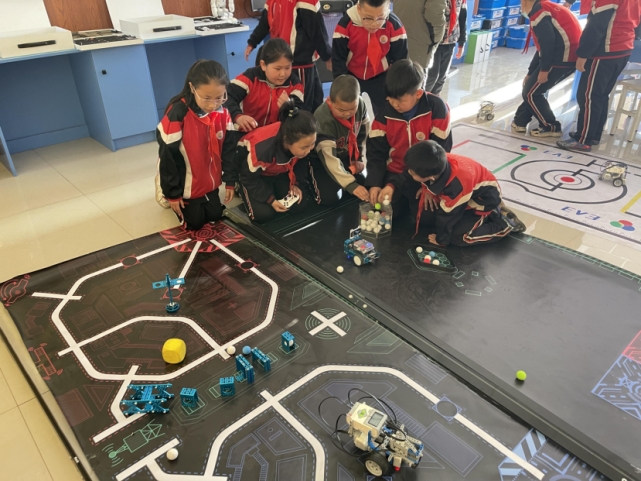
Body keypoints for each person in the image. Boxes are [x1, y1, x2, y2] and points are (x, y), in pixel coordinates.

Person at [156, 60, 240, 231]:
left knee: (215, 216)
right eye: (206, 98)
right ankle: (162, 191)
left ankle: (204, 196)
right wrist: (173, 194)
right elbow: (167, 158)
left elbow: (229, 151)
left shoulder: (224, 112)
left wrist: (230, 181)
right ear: (192, 88)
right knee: (194, 224)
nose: (212, 105)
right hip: (184, 182)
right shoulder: (178, 113)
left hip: (209, 182)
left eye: (219, 97)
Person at [365, 59, 452, 213]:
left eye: (400, 100)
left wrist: (430, 188)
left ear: (418, 94)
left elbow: (441, 154)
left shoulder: (437, 109)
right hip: (395, 173)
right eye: (389, 98)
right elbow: (375, 154)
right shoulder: (383, 117)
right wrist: (375, 183)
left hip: (425, 173)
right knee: (384, 211)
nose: (393, 104)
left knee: (428, 214)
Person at [404, 141, 526, 247]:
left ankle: (505, 224)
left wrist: (441, 240)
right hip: (469, 193)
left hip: (484, 200)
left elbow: (447, 216)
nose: (409, 172)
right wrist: (427, 189)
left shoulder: (456, 187)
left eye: (412, 173)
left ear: (430, 177)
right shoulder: (437, 161)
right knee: (429, 217)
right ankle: (494, 212)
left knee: (458, 237)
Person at [557, 0, 641, 152]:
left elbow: (595, 27)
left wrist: (583, 54)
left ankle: (583, 139)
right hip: (623, 48)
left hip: (605, 51)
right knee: (600, 95)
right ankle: (593, 134)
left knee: (588, 96)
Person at [237, 100, 317, 223]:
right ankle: (240, 189)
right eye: (304, 147)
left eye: (312, 144)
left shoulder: (304, 140)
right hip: (255, 175)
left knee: (298, 205)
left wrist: (296, 183)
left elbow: (301, 163)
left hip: (280, 171)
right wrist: (270, 200)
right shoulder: (263, 150)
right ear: (287, 141)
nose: (309, 150)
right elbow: (248, 178)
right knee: (264, 214)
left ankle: (275, 188)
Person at [245, 0, 332, 113]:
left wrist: (252, 43)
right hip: (299, 63)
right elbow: (317, 30)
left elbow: (263, 23)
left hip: (291, 62)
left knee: (312, 101)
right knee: (302, 107)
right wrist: (327, 56)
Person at [510, 0, 582, 137]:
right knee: (532, 88)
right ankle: (520, 121)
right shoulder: (545, 7)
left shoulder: (539, 12)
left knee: (532, 93)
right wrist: (531, 72)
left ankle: (551, 126)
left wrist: (544, 70)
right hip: (565, 55)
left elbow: (547, 44)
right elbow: (541, 48)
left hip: (563, 57)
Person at [332, 0, 408, 115]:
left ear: (388, 7)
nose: (374, 24)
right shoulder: (346, 24)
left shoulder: (394, 25)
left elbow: (400, 60)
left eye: (380, 18)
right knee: (351, 112)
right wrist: (341, 84)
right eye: (368, 18)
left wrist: (395, 88)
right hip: (351, 76)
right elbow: (338, 58)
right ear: (359, 8)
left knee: (385, 113)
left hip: (381, 76)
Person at [309, 75, 371, 205]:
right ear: (330, 101)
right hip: (323, 160)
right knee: (331, 198)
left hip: (345, 155)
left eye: (352, 108)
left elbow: (363, 134)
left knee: (365, 183)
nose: (347, 113)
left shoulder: (361, 104)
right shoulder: (323, 118)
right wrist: (351, 185)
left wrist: (359, 158)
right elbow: (329, 158)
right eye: (341, 110)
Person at [225, 38, 304, 132]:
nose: (283, 74)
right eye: (278, 69)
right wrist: (238, 116)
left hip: (277, 134)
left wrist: (289, 108)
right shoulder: (249, 79)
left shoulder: (295, 85)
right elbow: (226, 97)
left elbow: (298, 118)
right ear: (263, 65)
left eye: (287, 67)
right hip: (247, 133)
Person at [393, 0, 448, 84]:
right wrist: (434, 42)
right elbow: (435, 17)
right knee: (416, 84)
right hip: (420, 44)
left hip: (399, 38)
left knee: (398, 81)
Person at [425, 0, 467, 95]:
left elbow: (462, 18)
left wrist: (461, 43)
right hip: (434, 41)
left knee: (442, 76)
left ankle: (435, 99)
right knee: (432, 76)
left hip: (450, 41)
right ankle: (424, 99)